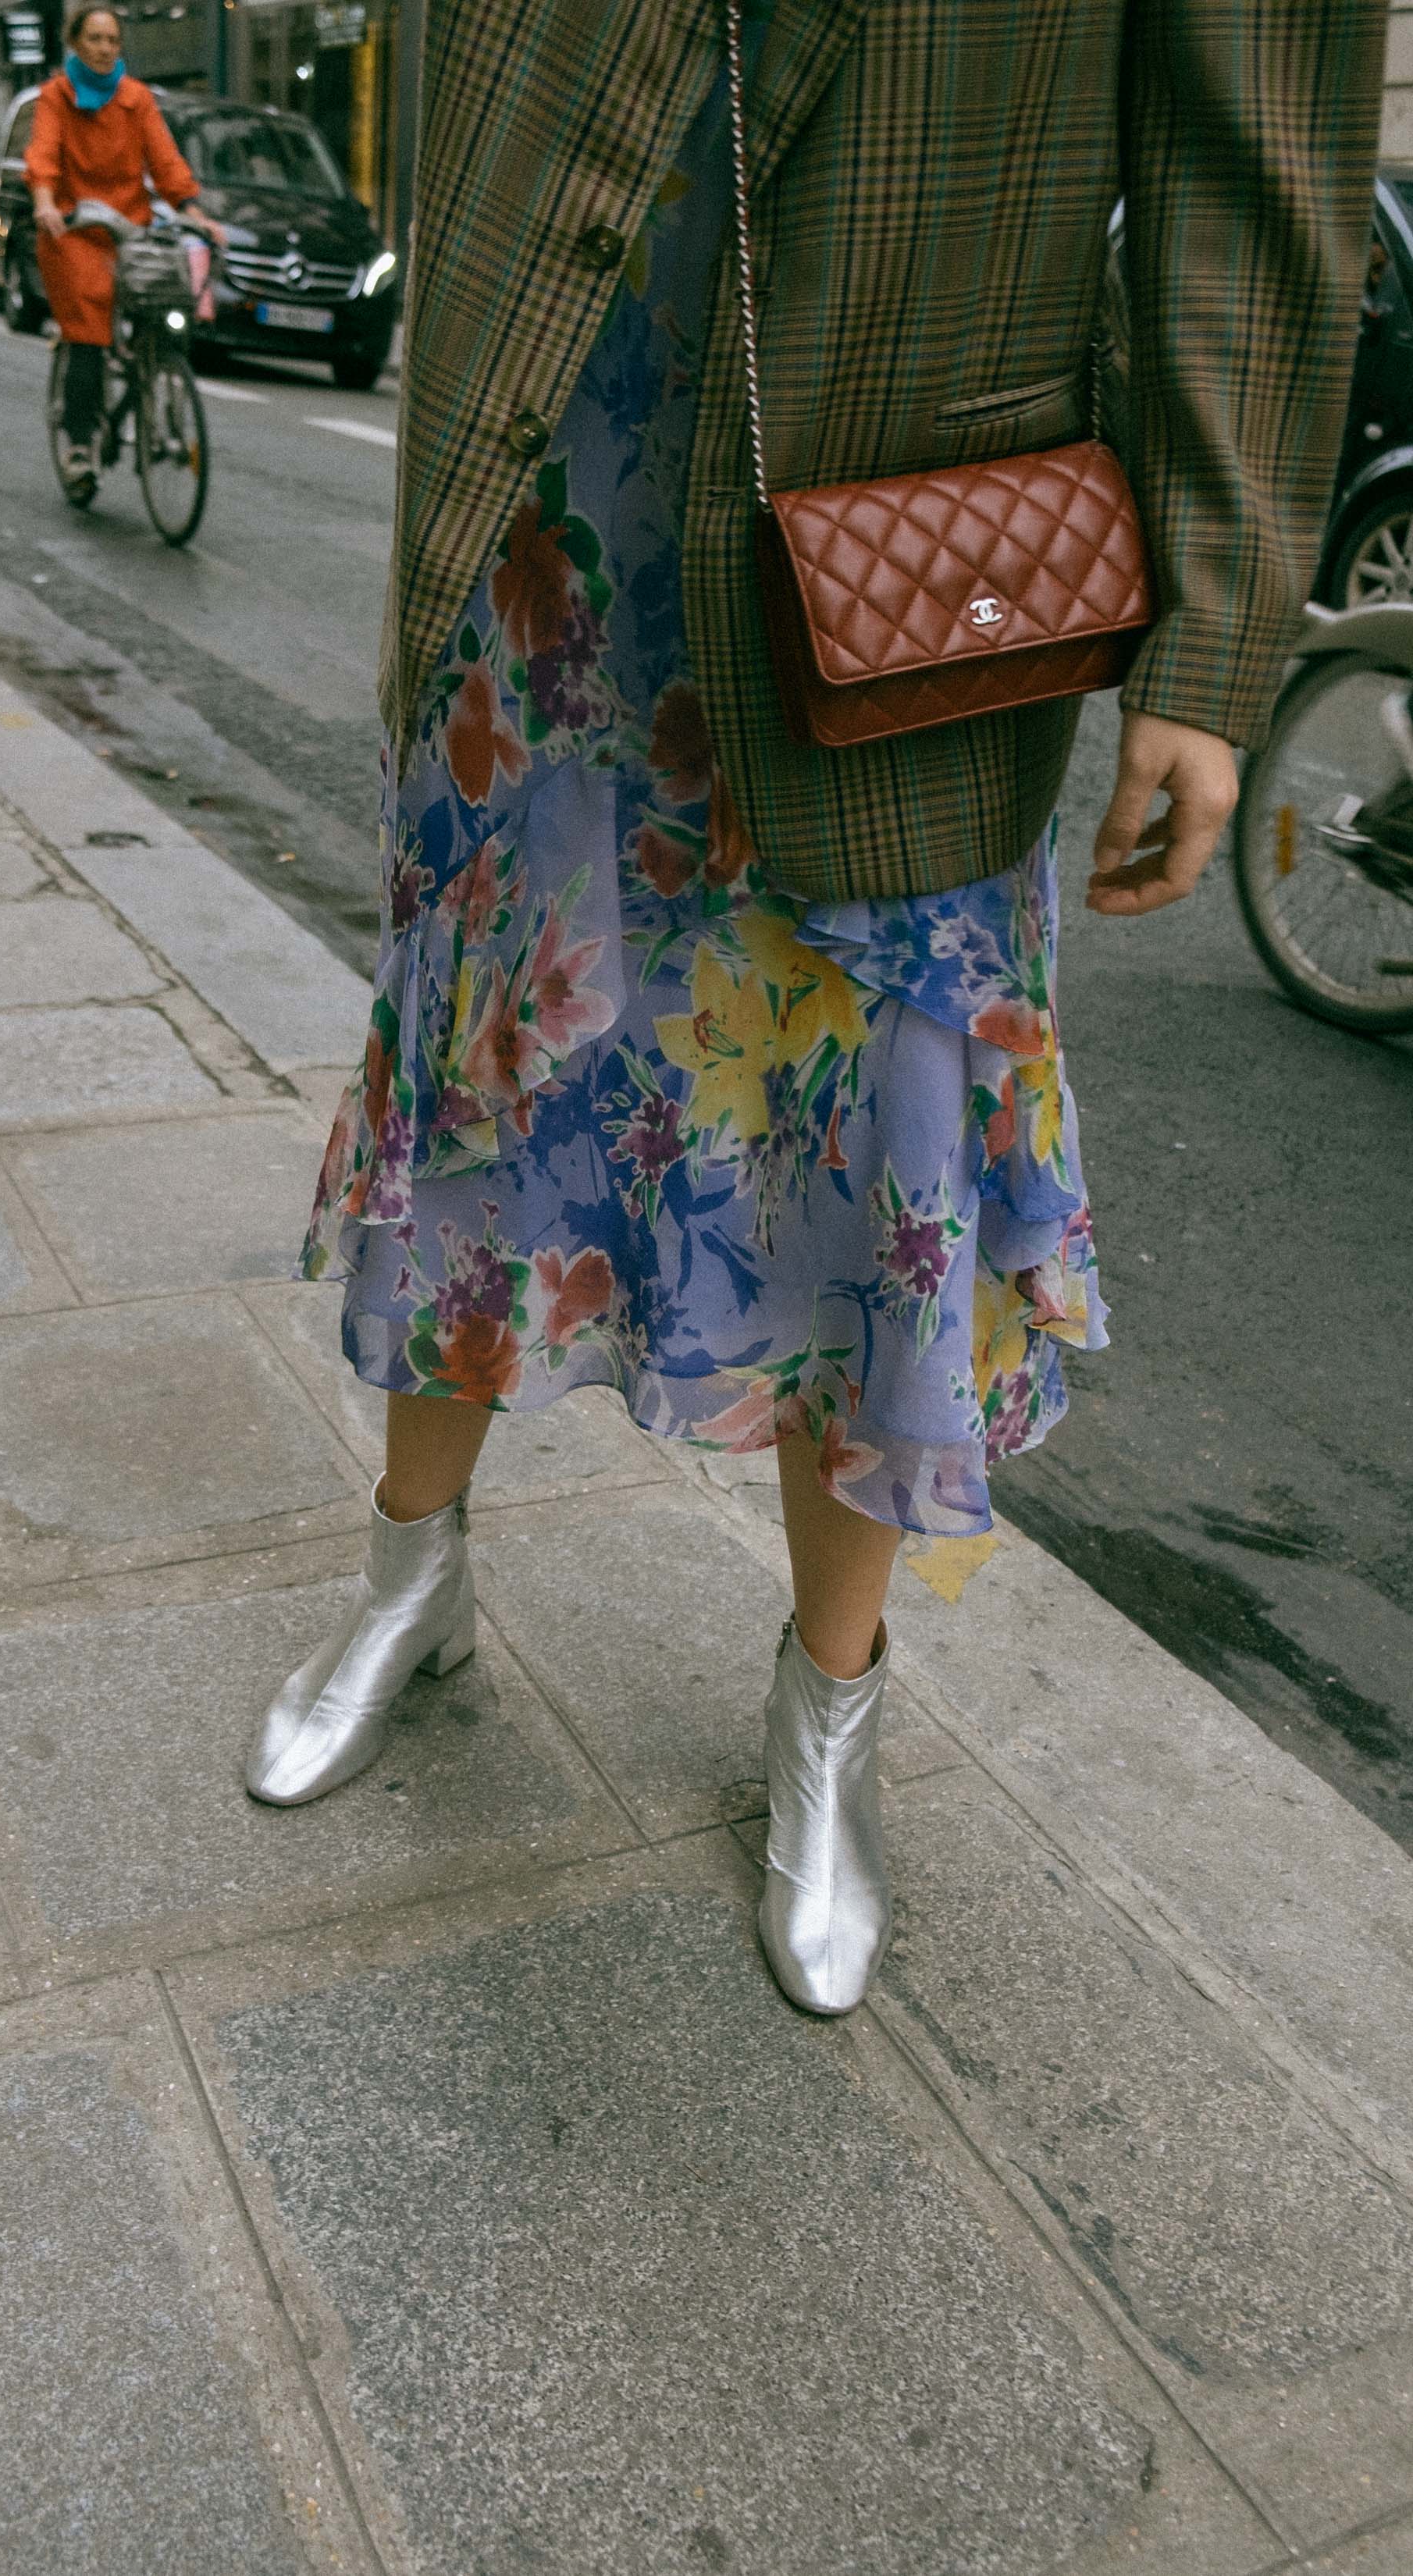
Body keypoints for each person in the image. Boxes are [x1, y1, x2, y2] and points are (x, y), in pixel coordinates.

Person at [250, 0, 1385, 2015]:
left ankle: (830, 1719)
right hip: (552, 473)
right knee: (489, 1091)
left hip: (897, 535)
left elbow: (1256, 159)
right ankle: (410, 1586)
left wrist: (1213, 645)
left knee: (878, 1153)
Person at [25, 5, 222, 483]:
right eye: (94, 38)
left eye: (112, 40)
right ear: (75, 43)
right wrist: (46, 202)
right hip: (72, 232)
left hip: (128, 233)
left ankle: (151, 381)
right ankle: (77, 444)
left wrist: (194, 212)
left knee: (162, 305)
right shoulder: (56, 98)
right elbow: (43, 155)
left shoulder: (136, 100)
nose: (105, 48)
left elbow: (166, 160)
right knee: (89, 333)